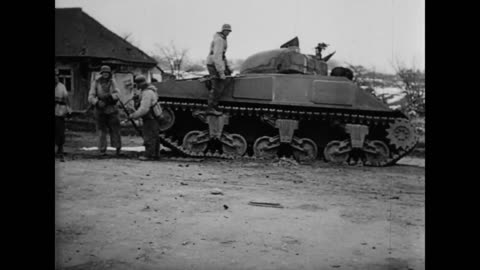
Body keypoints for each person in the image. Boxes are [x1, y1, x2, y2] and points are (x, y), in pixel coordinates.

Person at [88, 65, 122, 156]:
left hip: (112, 108)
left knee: (115, 129)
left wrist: (110, 98)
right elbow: (90, 96)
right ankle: (102, 150)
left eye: (107, 73)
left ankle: (118, 149)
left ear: (109, 74)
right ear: (101, 73)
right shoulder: (96, 82)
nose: (105, 74)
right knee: (101, 130)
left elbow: (118, 93)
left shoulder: (113, 82)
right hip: (100, 109)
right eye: (104, 73)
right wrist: (97, 102)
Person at [129, 75, 163, 161]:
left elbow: (144, 109)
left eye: (137, 84)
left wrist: (134, 115)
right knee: (155, 136)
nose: (137, 86)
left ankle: (148, 155)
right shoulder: (150, 91)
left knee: (149, 136)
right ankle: (155, 154)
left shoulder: (147, 93)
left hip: (149, 117)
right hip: (154, 117)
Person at [205, 23, 233, 115]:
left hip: (216, 62)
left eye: (229, 31)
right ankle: (210, 108)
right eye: (227, 31)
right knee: (217, 85)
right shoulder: (219, 39)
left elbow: (223, 56)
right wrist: (221, 72)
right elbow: (217, 56)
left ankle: (215, 105)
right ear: (223, 30)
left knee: (224, 81)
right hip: (213, 63)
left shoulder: (223, 38)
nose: (228, 33)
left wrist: (227, 67)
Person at [55, 69, 72, 161]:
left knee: (60, 132)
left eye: (56, 76)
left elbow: (66, 99)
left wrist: (69, 110)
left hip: (59, 113)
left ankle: (60, 149)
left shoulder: (61, 87)